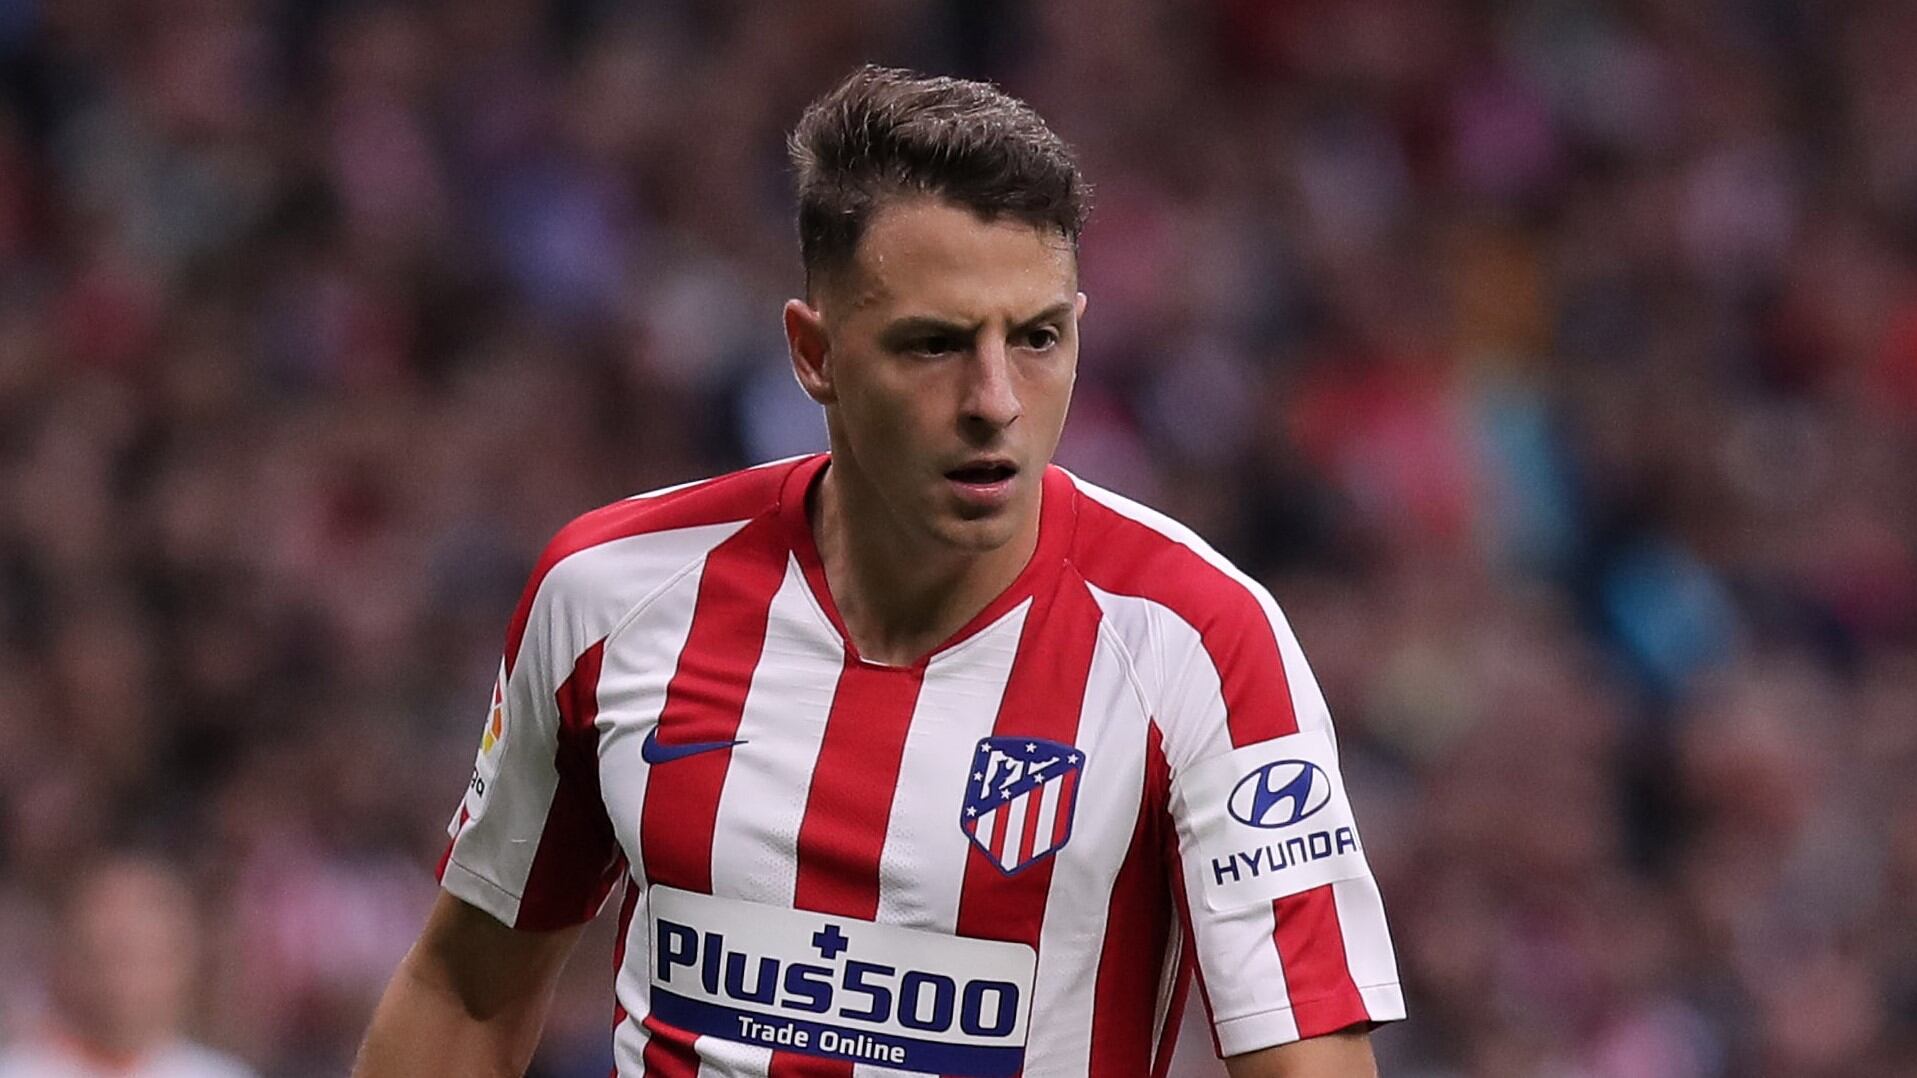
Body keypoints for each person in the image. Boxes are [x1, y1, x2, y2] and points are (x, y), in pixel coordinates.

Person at [355, 65, 1403, 1077]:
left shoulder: (1201, 646)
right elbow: (465, 998)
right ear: (814, 354)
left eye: (1036, 338)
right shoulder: (610, 596)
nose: (995, 400)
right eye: (935, 345)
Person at [0, 855, 257, 1078]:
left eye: (146, 954)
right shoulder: (16, 1070)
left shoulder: (220, 1073)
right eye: (106, 953)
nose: (123, 980)